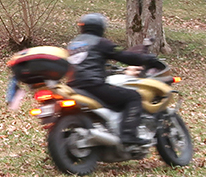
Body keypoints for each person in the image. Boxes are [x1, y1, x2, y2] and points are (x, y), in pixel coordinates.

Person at [66, 13, 159, 148]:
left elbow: (83, 64)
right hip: (93, 86)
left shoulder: (73, 44)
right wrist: (146, 59)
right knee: (133, 97)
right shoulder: (101, 42)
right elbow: (124, 56)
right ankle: (128, 134)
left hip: (73, 86)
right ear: (100, 27)